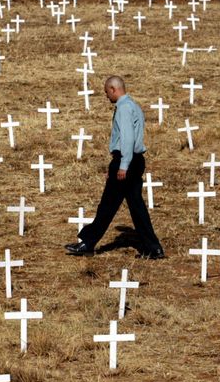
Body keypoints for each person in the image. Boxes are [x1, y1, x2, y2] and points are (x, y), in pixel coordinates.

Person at [65, 76, 165, 259]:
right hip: (134, 160)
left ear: (113, 89)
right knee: (136, 205)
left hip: (126, 160)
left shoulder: (124, 109)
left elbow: (127, 139)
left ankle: (87, 243)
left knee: (108, 205)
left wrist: (122, 165)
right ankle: (153, 248)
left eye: (106, 92)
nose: (106, 96)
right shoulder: (134, 106)